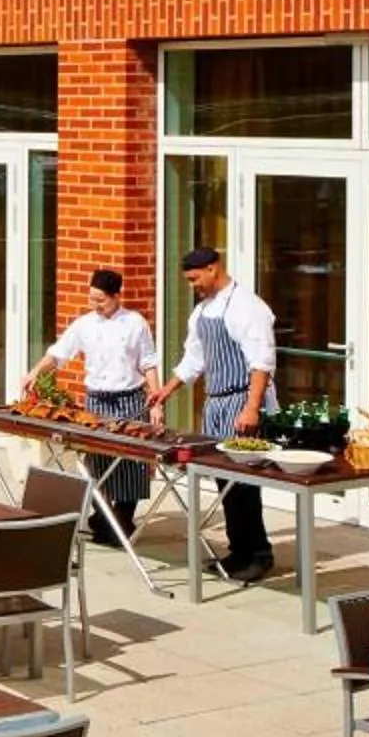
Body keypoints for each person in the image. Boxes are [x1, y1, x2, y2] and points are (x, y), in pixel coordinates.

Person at [153, 244, 277, 582]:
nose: (193, 286)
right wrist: (167, 389)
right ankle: (239, 551)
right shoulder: (202, 312)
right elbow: (195, 359)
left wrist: (251, 408)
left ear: (213, 268)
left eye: (195, 279)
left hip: (241, 401)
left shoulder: (247, 307)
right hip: (216, 403)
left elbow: (262, 362)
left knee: (244, 482)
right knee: (225, 482)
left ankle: (259, 554)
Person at [35, 268, 158, 545]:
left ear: (116, 296)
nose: (95, 305)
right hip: (97, 401)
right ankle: (103, 516)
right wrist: (34, 373)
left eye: (101, 300)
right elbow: (58, 354)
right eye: (92, 298)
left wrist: (156, 401)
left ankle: (122, 519)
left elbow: (148, 362)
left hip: (129, 399)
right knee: (96, 464)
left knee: (130, 465)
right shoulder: (84, 324)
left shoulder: (135, 322)